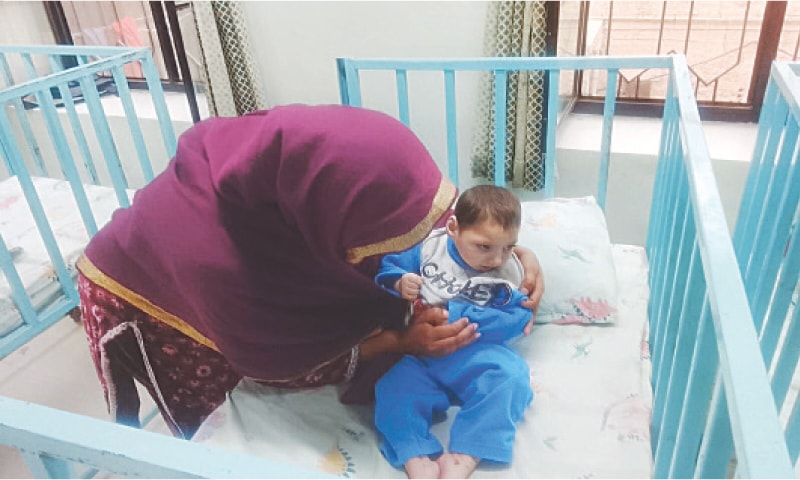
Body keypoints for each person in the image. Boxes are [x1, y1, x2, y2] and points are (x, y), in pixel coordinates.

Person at [76, 104, 544, 441]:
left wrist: (511, 256)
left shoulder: (307, 162)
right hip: (137, 286)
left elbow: (439, 225)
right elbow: (285, 369)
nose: (410, 243)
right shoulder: (234, 275)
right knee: (210, 405)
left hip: (211, 240)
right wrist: (401, 342)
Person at [373, 185, 533, 479]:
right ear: (453, 228)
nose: (497, 259)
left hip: (476, 351)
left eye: (508, 247)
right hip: (422, 355)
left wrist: (461, 316)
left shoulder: (507, 272)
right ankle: (415, 453)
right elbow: (389, 266)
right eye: (484, 246)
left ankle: (466, 452)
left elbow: (518, 317)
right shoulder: (428, 248)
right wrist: (398, 281)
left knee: (513, 378)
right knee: (391, 390)